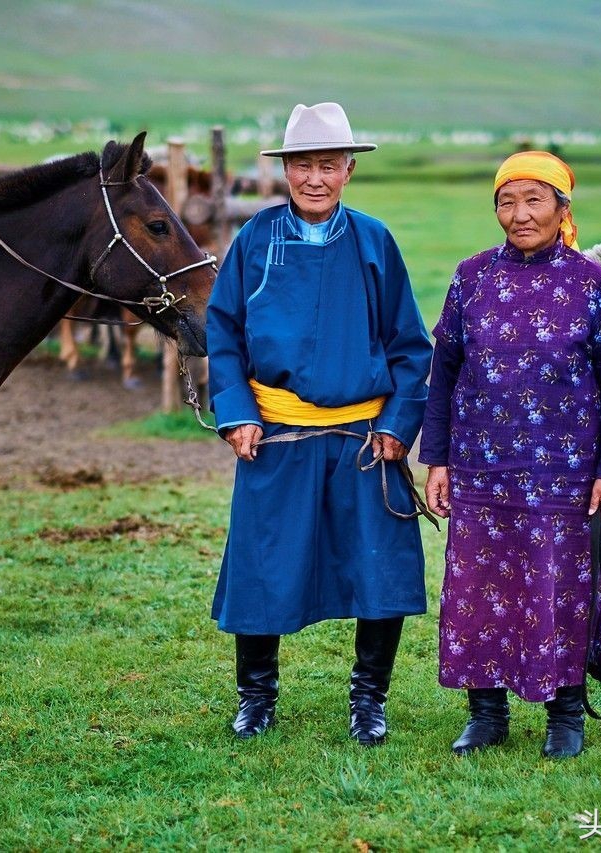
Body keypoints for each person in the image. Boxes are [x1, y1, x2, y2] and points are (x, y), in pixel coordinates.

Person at [206, 102, 433, 747]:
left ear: (348, 170)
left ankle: (369, 701)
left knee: (378, 569)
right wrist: (237, 412)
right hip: (276, 438)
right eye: (302, 165)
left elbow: (410, 346)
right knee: (263, 563)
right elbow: (223, 332)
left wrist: (397, 423)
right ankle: (257, 697)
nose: (314, 178)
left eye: (327, 165)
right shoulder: (255, 240)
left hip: (364, 441)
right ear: (285, 171)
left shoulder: (373, 242)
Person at [419, 151, 601, 759]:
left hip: (563, 474)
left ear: (563, 208)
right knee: (477, 588)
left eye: (535, 200)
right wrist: (437, 459)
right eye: (507, 202)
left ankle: (566, 717)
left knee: (559, 588)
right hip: (479, 466)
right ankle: (486, 715)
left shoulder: (591, 282)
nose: (520, 215)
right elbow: (445, 373)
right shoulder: (472, 276)